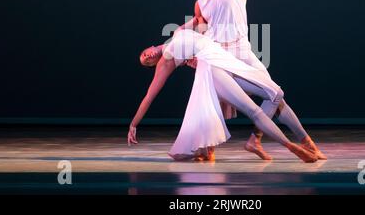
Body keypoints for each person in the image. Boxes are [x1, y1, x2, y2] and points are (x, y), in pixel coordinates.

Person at [178, 0, 326, 160]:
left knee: (276, 97)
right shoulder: (200, 2)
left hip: (243, 52)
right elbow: (200, 30)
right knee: (226, 101)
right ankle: (213, 147)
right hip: (221, 60)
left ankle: (272, 141)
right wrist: (188, 54)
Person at [127, 29, 318, 163]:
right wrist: (134, 124)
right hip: (213, 68)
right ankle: (291, 146)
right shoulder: (164, 62)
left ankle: (210, 150)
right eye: (146, 62)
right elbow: (149, 96)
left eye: (144, 54)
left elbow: (201, 22)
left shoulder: (177, 33)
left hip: (224, 59)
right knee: (253, 110)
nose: (147, 57)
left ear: (150, 46)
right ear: (154, 64)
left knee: (276, 93)